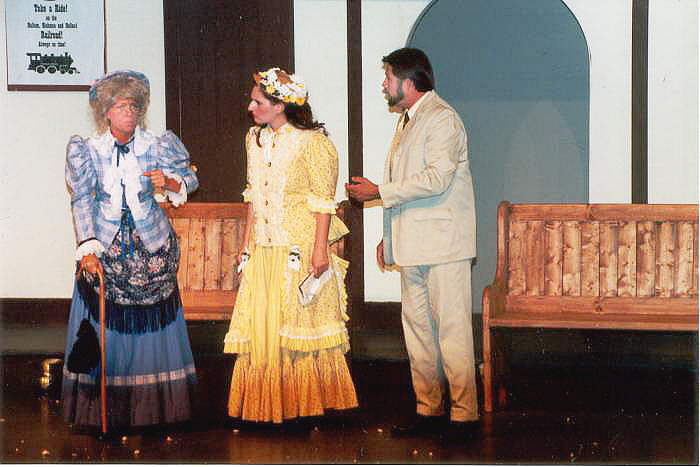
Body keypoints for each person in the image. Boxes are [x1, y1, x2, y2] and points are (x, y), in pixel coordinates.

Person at [345, 48, 479, 441]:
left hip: (444, 246)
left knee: (451, 332)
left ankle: (464, 418)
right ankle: (429, 410)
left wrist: (378, 192)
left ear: (408, 81)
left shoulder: (442, 118)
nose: (383, 84)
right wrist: (389, 237)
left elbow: (436, 179)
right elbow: (405, 184)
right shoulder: (408, 121)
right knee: (419, 333)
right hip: (413, 244)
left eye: (388, 77)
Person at [62, 70, 199, 433]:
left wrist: (170, 182)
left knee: (152, 324)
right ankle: (107, 410)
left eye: (134, 106)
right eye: (121, 106)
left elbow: (190, 179)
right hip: (106, 247)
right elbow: (82, 199)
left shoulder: (158, 144)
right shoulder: (88, 150)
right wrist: (87, 247)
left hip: (152, 246)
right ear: (106, 111)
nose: (129, 112)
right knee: (105, 321)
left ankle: (152, 409)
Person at [223, 67, 358, 424]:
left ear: (280, 105)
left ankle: (301, 406)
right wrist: (246, 244)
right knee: (264, 326)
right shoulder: (254, 139)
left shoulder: (313, 143)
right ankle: (269, 406)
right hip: (264, 247)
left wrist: (320, 249)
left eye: (258, 102)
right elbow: (253, 197)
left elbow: (323, 203)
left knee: (296, 324)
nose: (251, 107)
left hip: (296, 246)